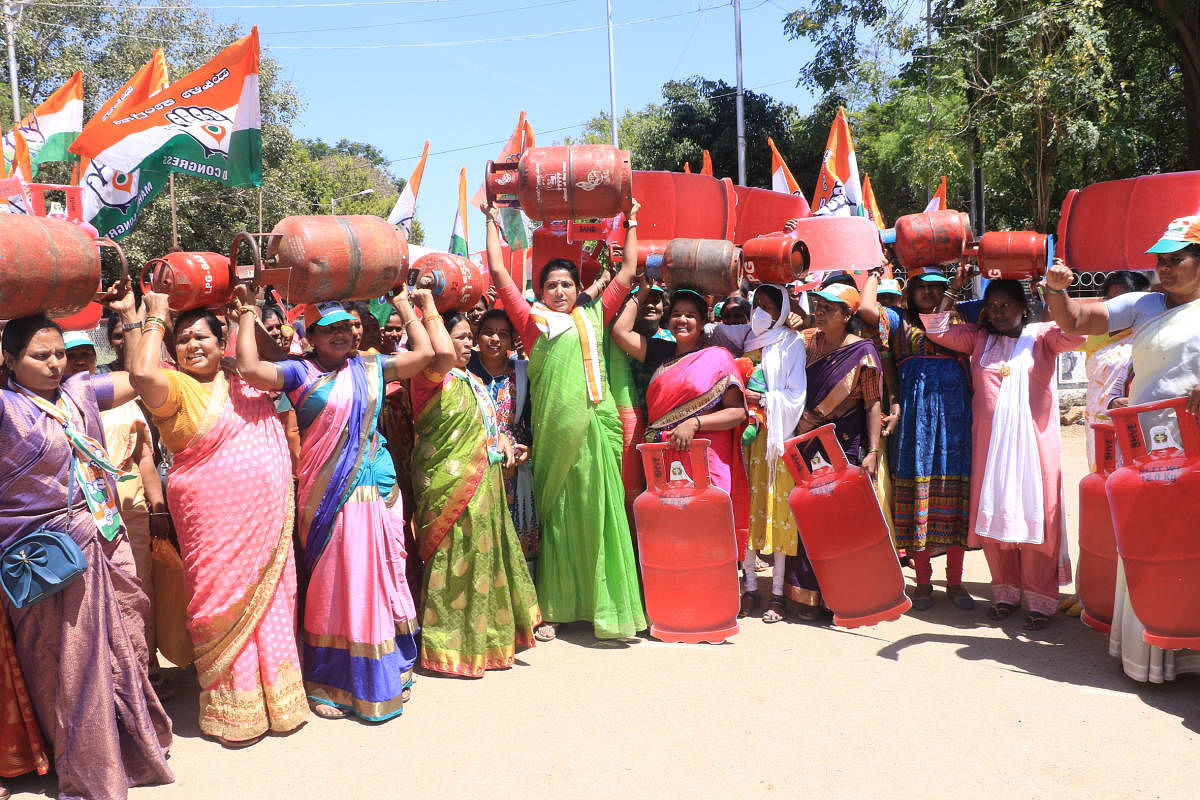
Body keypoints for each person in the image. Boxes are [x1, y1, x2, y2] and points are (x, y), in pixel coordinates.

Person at [234, 285, 436, 720]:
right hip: (326, 496)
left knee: (377, 576)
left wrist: (404, 303)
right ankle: (332, 681)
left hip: (374, 490)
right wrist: (249, 312)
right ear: (311, 336)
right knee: (334, 583)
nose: (341, 334)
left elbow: (425, 355)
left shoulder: (371, 366)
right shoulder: (299, 372)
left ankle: (386, 669)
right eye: (330, 329)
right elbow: (250, 368)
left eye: (347, 326)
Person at [0, 298, 174, 799]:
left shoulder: (77, 392)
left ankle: (129, 743)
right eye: (40, 356)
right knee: (65, 662)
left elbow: (143, 376)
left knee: (124, 644)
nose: (55, 364)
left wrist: (136, 319)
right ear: (8, 360)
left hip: (104, 540)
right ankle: (84, 758)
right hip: (44, 557)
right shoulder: (8, 409)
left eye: (59, 353)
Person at [129, 292, 308, 745]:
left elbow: (284, 357)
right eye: (183, 338)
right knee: (219, 600)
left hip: (268, 520)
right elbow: (142, 372)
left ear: (221, 340)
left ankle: (280, 700)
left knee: (272, 600)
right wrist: (155, 315)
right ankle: (236, 708)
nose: (193, 344)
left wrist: (246, 312)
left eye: (202, 336)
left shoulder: (243, 377)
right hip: (213, 522)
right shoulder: (175, 386)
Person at [1043, 215, 1200, 679]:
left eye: (1177, 260)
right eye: (1160, 261)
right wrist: (1056, 290)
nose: (1165, 269)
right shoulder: (1146, 305)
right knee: (1153, 539)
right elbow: (1074, 318)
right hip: (1153, 441)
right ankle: (1153, 654)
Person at [483, 200, 647, 642]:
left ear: (578, 288)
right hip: (556, 436)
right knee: (557, 517)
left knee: (600, 512)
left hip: (596, 428)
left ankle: (603, 605)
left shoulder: (592, 315)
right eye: (552, 285)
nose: (560, 291)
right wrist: (492, 222)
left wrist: (630, 218)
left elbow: (628, 269)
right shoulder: (532, 322)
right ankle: (554, 605)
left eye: (567, 284)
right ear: (540, 291)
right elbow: (499, 274)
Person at [922, 279, 1083, 629]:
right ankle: (1006, 594)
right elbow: (935, 327)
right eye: (990, 306)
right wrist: (954, 288)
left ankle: (1040, 600)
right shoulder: (978, 338)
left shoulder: (1043, 337)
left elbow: (1078, 335)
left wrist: (1054, 295)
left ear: (1023, 308)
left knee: (1040, 516)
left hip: (1035, 445)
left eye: (1004, 305)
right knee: (996, 514)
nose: (996, 312)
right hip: (989, 446)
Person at [411, 310, 541, 676]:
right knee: (454, 564)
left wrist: (502, 439)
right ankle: (447, 649)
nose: (471, 343)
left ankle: (484, 642)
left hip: (486, 488)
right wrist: (422, 306)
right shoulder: (432, 379)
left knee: (483, 562)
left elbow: (488, 428)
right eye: (463, 336)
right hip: (448, 489)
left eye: (471, 336)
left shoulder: (474, 382)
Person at [611, 282, 750, 576]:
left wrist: (694, 422)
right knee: (672, 532)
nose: (682, 320)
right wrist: (643, 287)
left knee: (707, 529)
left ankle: (714, 601)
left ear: (703, 321)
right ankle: (677, 602)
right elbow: (620, 332)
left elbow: (737, 412)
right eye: (676, 314)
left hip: (707, 460)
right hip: (667, 458)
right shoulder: (662, 353)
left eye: (690, 315)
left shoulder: (717, 357)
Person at [62, 331, 173, 692]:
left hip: (129, 505)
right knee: (91, 595)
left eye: (86, 353)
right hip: (80, 509)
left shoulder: (121, 398)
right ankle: (107, 682)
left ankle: (145, 670)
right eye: (71, 354)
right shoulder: (55, 404)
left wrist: (158, 509)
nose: (80, 361)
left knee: (138, 587)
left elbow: (144, 458)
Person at [860, 267, 975, 611]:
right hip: (916, 422)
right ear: (909, 291)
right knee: (919, 496)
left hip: (957, 420)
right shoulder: (898, 321)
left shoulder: (961, 316)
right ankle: (923, 581)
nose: (928, 293)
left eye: (935, 287)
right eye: (921, 287)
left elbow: (1010, 307)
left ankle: (955, 581)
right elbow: (866, 309)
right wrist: (873, 273)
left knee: (955, 497)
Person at [692, 284, 807, 622]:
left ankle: (776, 595)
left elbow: (796, 394)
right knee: (747, 510)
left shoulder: (791, 343)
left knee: (777, 511)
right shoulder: (746, 338)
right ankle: (751, 586)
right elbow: (713, 326)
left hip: (775, 441)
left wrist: (764, 401)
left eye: (768, 306)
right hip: (744, 439)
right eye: (756, 303)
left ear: (782, 311)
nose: (759, 311)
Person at [784, 282, 883, 619]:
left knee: (842, 521)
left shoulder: (863, 352)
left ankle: (843, 597)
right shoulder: (808, 342)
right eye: (819, 306)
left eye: (829, 308)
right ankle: (808, 595)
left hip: (846, 441)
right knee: (812, 517)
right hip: (810, 442)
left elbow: (872, 404)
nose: (820, 312)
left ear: (847, 314)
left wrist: (873, 452)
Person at [468, 309, 540, 574]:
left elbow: (534, 420)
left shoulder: (523, 373)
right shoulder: (465, 370)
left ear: (512, 341)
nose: (495, 339)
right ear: (476, 336)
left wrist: (529, 449)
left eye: (503, 334)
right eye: (488, 332)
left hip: (513, 468)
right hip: (474, 463)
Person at [1076, 270, 1150, 468]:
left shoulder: (1150, 331)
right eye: (1110, 300)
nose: (1115, 308)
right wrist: (1048, 290)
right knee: (1102, 482)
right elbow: (1058, 325)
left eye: (1122, 301)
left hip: (1138, 421)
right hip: (1100, 423)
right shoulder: (1093, 331)